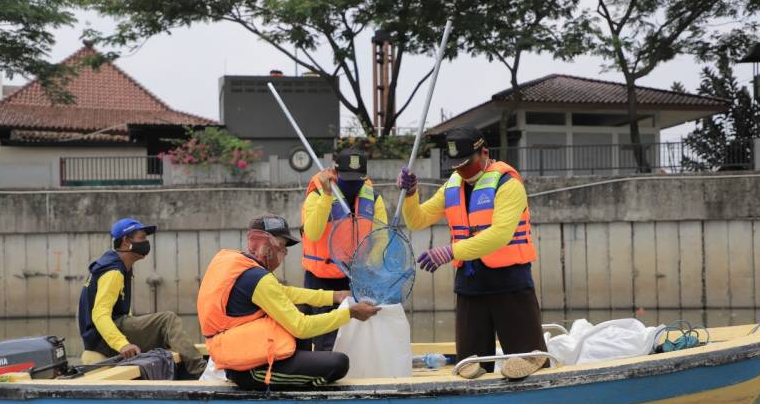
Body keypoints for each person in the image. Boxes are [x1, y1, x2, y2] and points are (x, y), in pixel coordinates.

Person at [396, 126, 545, 379]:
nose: (460, 170)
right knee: (469, 367)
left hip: (509, 283)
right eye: (455, 165)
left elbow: (499, 235)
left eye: (465, 164)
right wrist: (410, 194)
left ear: (484, 152)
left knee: (526, 363)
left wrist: (450, 251)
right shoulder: (452, 186)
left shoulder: (509, 184)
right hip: (470, 285)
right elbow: (416, 220)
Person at [197, 213, 381, 390]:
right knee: (339, 364)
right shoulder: (257, 278)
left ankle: (301, 373)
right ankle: (300, 398)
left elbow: (283, 293)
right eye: (283, 246)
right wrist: (350, 313)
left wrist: (335, 295)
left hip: (240, 355)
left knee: (299, 313)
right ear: (267, 247)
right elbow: (301, 326)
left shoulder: (240, 266)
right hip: (249, 370)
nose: (285, 253)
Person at [78, 218, 207, 378]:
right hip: (102, 340)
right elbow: (100, 314)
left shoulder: (117, 266)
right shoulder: (113, 271)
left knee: (163, 334)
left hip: (101, 337)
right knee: (167, 321)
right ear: (126, 241)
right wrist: (122, 344)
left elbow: (122, 311)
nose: (146, 242)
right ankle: (202, 373)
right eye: (142, 238)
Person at [300, 148, 388, 351]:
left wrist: (369, 270)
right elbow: (312, 232)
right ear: (335, 173)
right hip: (322, 281)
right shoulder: (317, 195)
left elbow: (381, 238)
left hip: (356, 278)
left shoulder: (373, 198)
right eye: (347, 178)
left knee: (356, 341)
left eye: (357, 178)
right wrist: (327, 196)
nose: (352, 183)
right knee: (326, 342)